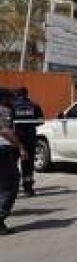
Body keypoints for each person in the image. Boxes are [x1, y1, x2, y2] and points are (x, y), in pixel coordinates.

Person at [0, 88, 28, 235]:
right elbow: (4, 131)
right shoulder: (3, 110)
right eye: (10, 98)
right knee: (10, 186)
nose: (12, 101)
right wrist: (21, 146)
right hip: (3, 150)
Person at [12, 87, 43, 197]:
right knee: (28, 165)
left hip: (14, 139)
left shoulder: (12, 106)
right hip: (29, 138)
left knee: (12, 164)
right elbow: (40, 121)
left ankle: (12, 188)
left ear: (16, 94)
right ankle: (28, 189)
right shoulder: (34, 106)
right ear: (26, 94)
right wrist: (30, 125)